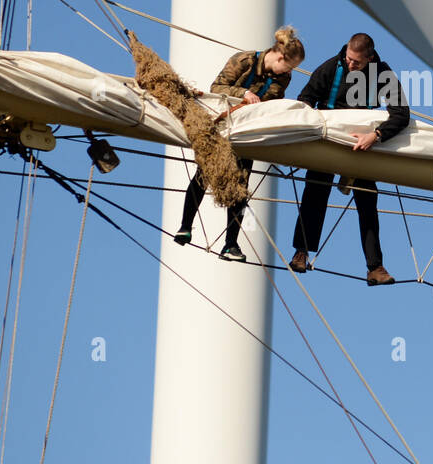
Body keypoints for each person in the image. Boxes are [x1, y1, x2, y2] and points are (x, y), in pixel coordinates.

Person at [174, 26, 306, 261]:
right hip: (223, 126)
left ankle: (231, 244)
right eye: (289, 65)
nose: (289, 72)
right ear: (279, 56)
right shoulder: (243, 60)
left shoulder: (283, 78)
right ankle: (185, 226)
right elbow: (216, 88)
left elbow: (273, 101)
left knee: (241, 188)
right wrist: (243, 93)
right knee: (204, 175)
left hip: (248, 132)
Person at [289, 33, 410, 285]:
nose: (351, 64)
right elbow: (306, 98)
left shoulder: (382, 73)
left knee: (367, 200)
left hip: (361, 143)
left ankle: (375, 267)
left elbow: (401, 113)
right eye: (349, 59)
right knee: (315, 191)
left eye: (356, 62)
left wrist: (376, 135)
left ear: (370, 57)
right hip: (329, 139)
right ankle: (301, 251)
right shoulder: (333, 66)